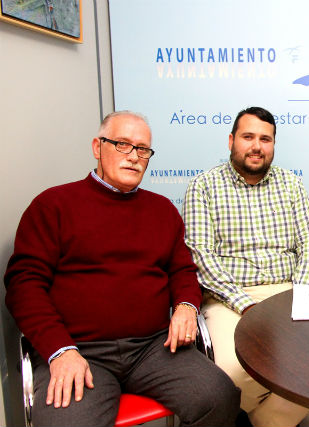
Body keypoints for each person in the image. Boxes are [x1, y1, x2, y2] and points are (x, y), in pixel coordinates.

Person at [4, 111, 240, 427]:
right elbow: (24, 286)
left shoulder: (162, 210)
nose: (134, 157)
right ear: (97, 147)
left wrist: (185, 305)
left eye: (143, 149)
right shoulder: (53, 205)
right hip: (80, 350)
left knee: (220, 397)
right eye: (122, 144)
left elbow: (182, 269)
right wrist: (59, 350)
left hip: (153, 347)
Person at [183, 106, 309, 427]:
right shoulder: (203, 187)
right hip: (230, 298)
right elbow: (202, 258)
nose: (257, 146)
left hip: (288, 293)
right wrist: (248, 306)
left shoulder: (292, 185)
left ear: (274, 144)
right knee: (233, 374)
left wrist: (296, 298)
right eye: (248, 137)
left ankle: (261, 421)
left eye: (266, 139)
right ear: (232, 140)